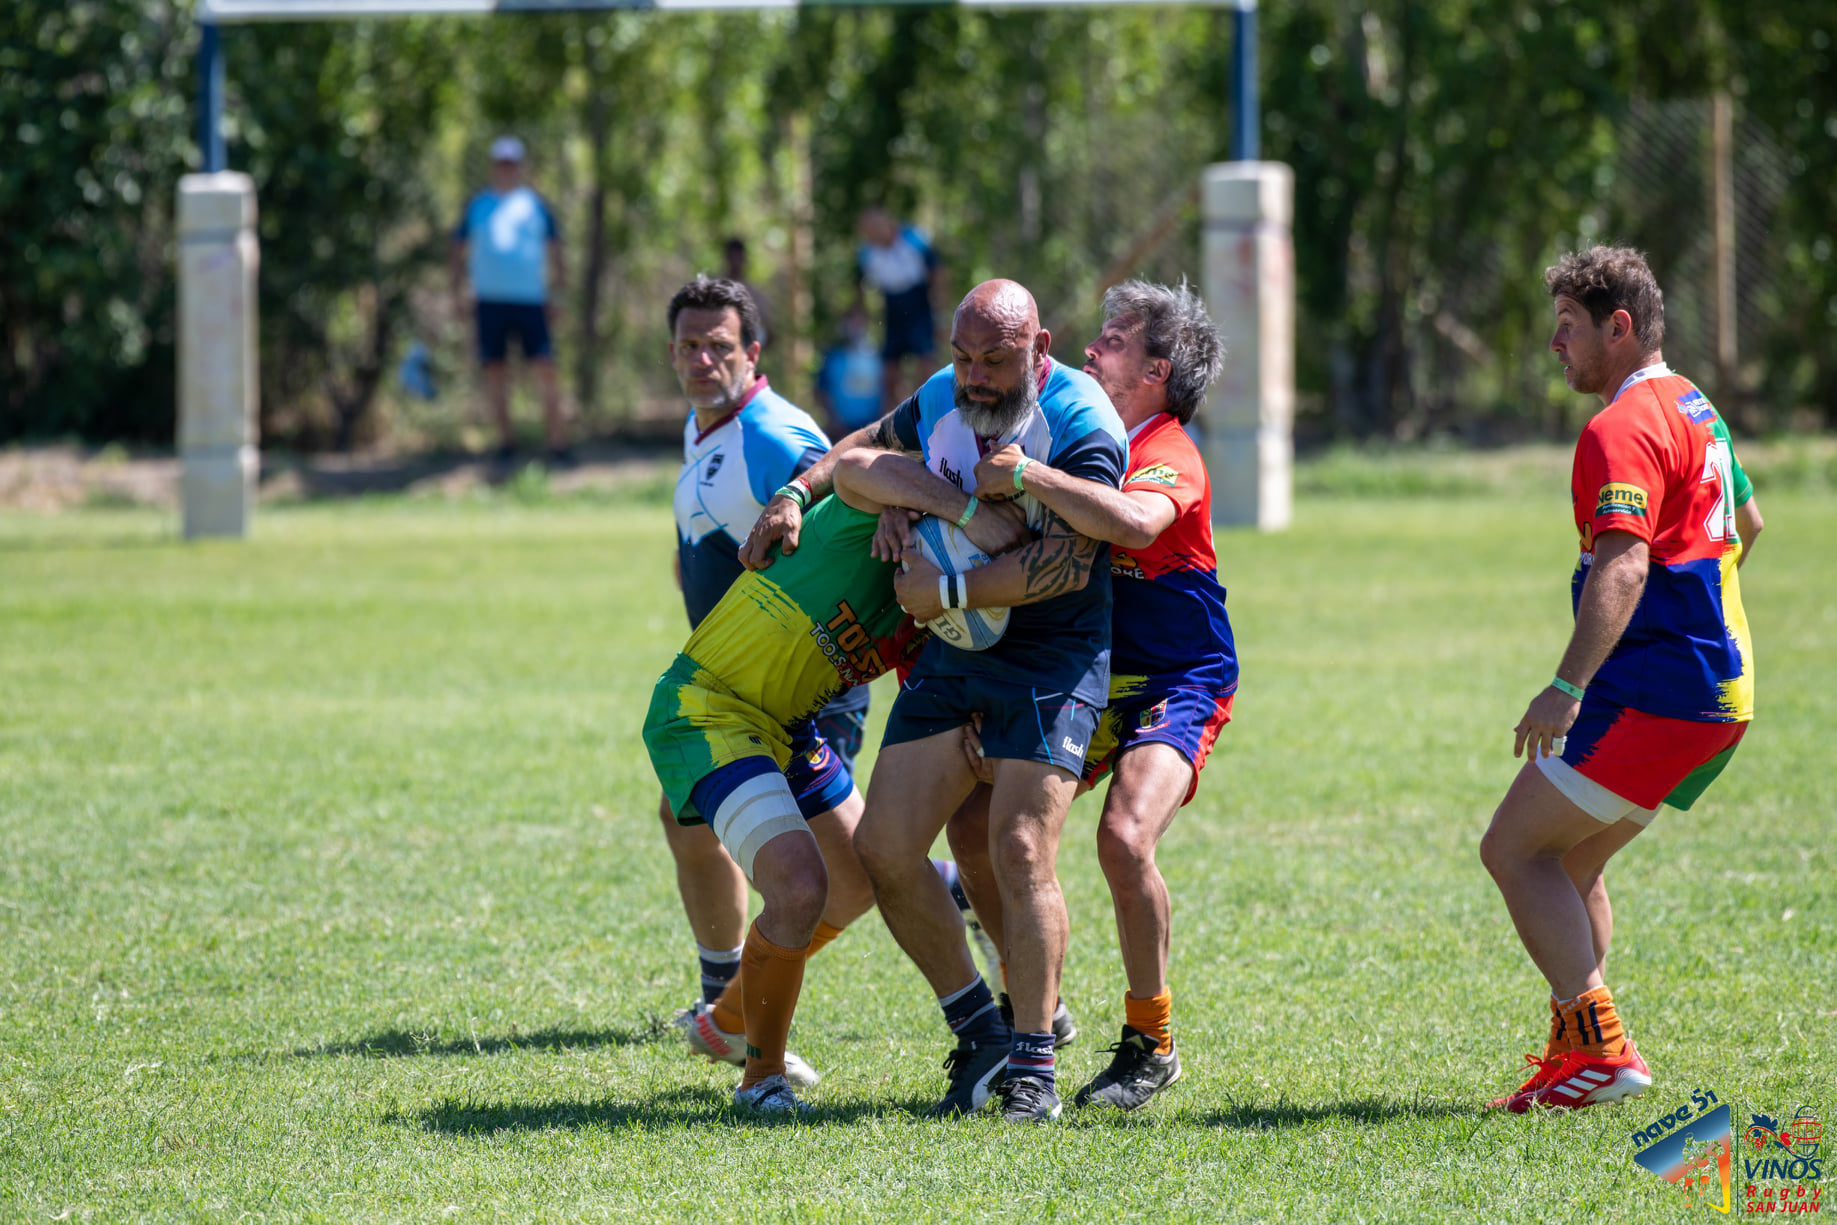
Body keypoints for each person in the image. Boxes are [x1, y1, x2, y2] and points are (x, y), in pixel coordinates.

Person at [740, 279, 1128, 1123]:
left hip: (1052, 654)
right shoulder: (942, 398)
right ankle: (979, 1025)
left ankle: (1034, 1066)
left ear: (1039, 348)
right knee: (883, 847)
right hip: (953, 652)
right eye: (961, 358)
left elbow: (1069, 564)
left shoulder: (1083, 424)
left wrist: (943, 581)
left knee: (1020, 846)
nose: (975, 378)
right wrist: (802, 493)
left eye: (994, 360)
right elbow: (860, 450)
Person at [644, 450, 1029, 1113]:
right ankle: (759, 1078)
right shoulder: (872, 516)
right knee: (799, 886)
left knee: (860, 878)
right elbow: (855, 465)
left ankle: (979, 1033)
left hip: (788, 728)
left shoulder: (928, 611)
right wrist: (951, 509)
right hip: (708, 707)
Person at [1479, 245, 1764, 1113]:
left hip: (1659, 694)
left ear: (1620, 326)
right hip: (1718, 692)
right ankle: (1580, 1059)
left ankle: (1603, 1050)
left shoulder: (1620, 425)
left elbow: (1623, 566)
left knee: (1514, 849)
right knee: (1565, 861)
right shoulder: (1695, 406)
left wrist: (1565, 688)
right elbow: (1747, 522)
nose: (1554, 344)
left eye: (1568, 327)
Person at [944, 279, 1233, 1112]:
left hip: (1179, 678)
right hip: (1094, 673)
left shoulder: (1166, 445)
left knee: (1123, 837)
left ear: (1155, 368)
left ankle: (1151, 1040)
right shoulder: (1077, 426)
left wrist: (1028, 474)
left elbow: (1136, 524)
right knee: (974, 823)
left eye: (1112, 339)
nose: (1089, 348)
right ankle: (1038, 1002)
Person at [660, 274, 873, 1084]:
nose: (702, 358)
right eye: (688, 344)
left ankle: (740, 1021)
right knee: (689, 820)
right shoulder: (708, 424)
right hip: (729, 688)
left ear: (754, 353)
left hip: (796, 690)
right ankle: (724, 999)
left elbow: (844, 498)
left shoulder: (776, 437)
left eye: (720, 345)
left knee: (831, 874)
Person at [450, 136, 570, 466]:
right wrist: (457, 292)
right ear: (493, 166)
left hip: (532, 300)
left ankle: (558, 445)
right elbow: (458, 250)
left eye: (512, 163)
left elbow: (557, 250)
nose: (507, 169)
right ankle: (506, 444)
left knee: (545, 368)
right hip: (489, 301)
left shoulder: (535, 204)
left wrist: (558, 294)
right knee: (495, 372)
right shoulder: (477, 205)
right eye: (501, 163)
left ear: (521, 166)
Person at [854, 208, 944, 411]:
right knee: (889, 369)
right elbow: (857, 283)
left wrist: (940, 310)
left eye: (875, 229)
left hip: (920, 305)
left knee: (926, 362)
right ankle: (895, 416)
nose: (872, 235)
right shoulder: (866, 252)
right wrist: (861, 311)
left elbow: (937, 272)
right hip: (891, 307)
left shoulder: (914, 239)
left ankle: (927, 408)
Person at [815, 309, 886, 439]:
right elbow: (821, 391)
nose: (856, 327)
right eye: (852, 322)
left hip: (872, 431)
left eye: (860, 322)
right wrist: (834, 422)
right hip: (840, 432)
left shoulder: (877, 356)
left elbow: (886, 389)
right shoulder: (833, 357)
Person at [722, 237, 773, 350]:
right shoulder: (715, 290)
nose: (735, 261)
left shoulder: (754, 295)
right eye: (732, 256)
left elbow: (769, 332)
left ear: (744, 259)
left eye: (738, 256)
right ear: (726, 258)